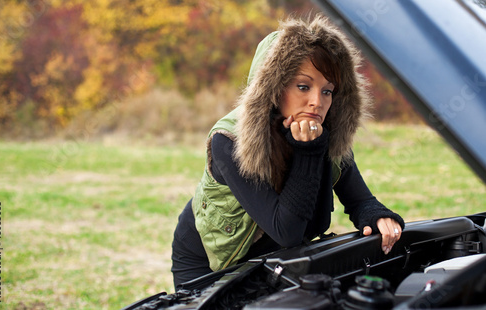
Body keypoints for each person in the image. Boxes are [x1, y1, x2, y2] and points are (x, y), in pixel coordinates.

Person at [171, 14, 405, 289]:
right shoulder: (229, 140)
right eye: (303, 86)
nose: (317, 102)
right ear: (273, 87)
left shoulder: (325, 134)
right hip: (211, 263)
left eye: (328, 91)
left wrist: (379, 216)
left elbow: (359, 200)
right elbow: (287, 231)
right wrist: (308, 152)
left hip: (277, 258)